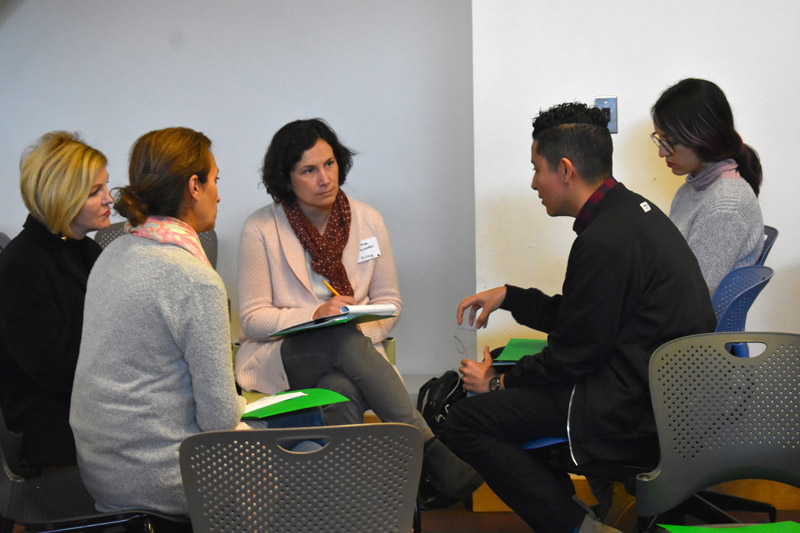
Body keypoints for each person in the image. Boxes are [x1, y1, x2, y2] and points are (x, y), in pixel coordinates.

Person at [441, 103, 716, 532]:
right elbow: (584, 317)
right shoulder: (629, 213)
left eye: (537, 170)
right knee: (506, 392)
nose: (534, 183)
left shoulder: (605, 240)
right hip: (654, 391)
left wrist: (497, 383)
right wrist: (511, 296)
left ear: (566, 170)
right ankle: (573, 514)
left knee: (464, 420)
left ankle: (577, 526)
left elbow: (573, 355)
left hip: (630, 407)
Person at [236, 118, 482, 500]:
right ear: (286, 178)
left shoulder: (369, 221)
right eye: (309, 170)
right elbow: (253, 319)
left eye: (329, 164)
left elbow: (391, 304)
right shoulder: (261, 228)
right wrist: (316, 317)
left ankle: (341, 507)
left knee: (339, 388)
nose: (325, 179)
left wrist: (348, 330)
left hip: (353, 362)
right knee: (338, 335)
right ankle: (428, 448)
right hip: (284, 356)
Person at [69, 127, 245, 516]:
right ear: (194, 186)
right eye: (216, 181)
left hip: (102, 473)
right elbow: (218, 420)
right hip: (167, 479)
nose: (219, 194)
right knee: (304, 456)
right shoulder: (195, 279)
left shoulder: (112, 253)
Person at [0, 131, 112, 469]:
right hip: (50, 421)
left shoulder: (86, 249)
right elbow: (55, 372)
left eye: (106, 186)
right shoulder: (21, 265)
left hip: (84, 402)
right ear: (62, 195)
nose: (109, 199)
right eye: (95, 191)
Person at [651, 78, 764, 297]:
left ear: (703, 136)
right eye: (659, 140)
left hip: (689, 316)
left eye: (669, 142)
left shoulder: (726, 207)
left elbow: (693, 294)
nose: (661, 152)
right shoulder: (690, 190)